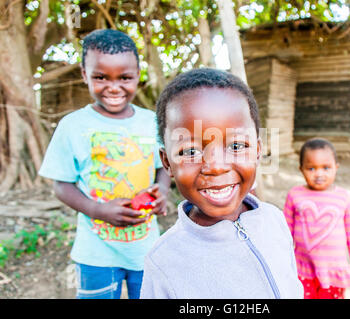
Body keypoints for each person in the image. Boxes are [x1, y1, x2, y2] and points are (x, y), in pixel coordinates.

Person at [139, 68, 303, 299]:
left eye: (236, 146)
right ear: (167, 162)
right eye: (190, 151)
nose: (216, 166)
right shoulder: (164, 260)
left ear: (257, 150)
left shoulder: (274, 220)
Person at [38, 29, 171, 299]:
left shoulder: (151, 121)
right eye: (101, 77)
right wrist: (97, 209)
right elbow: (61, 185)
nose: (113, 87)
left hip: (145, 247)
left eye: (125, 77)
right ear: (85, 75)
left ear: (137, 75)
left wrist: (162, 191)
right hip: (95, 250)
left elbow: (162, 166)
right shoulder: (73, 126)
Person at [283, 138, 350, 299]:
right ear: (301, 169)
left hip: (334, 271)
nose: (319, 174)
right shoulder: (295, 195)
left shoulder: (343, 197)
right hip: (302, 269)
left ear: (336, 168)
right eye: (311, 168)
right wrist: (283, 261)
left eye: (326, 168)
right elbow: (285, 232)